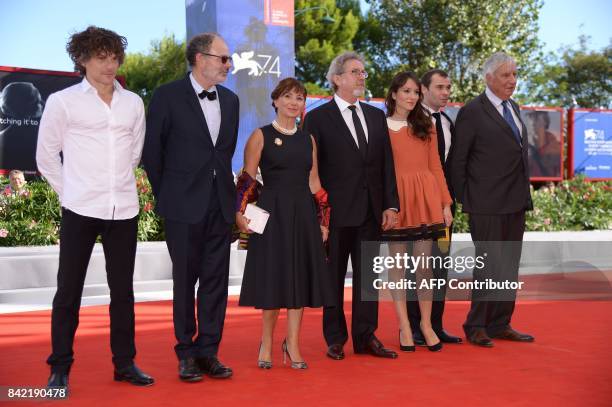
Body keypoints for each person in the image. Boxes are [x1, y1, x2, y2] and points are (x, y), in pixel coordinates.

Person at [36, 26, 153, 389]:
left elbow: (135, 152)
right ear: (82, 59)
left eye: (114, 57)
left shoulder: (133, 102)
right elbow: (46, 157)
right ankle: (60, 368)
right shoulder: (63, 101)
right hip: (80, 209)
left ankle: (124, 364)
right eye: (101, 57)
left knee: (124, 293)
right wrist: (71, 192)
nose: (109, 64)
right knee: (68, 291)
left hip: (123, 209)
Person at [143, 32, 239, 382]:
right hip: (182, 205)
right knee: (185, 281)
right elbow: (153, 153)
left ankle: (208, 352)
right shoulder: (166, 96)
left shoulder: (230, 100)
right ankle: (185, 352)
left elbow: (223, 153)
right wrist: (166, 195)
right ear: (200, 58)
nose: (228, 64)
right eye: (223, 58)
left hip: (220, 205)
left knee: (216, 283)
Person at [303, 51, 400, 360]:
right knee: (332, 279)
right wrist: (319, 215)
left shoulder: (375, 116)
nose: (362, 77)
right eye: (355, 72)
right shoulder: (317, 118)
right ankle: (335, 338)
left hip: (372, 212)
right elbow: (311, 170)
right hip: (334, 215)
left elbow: (386, 166)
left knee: (368, 278)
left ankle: (365, 336)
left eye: (363, 72)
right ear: (337, 79)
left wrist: (391, 205)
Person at [236, 77, 334, 370]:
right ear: (276, 100)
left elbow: (315, 182)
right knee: (273, 280)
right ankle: (266, 341)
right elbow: (247, 180)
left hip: (304, 214)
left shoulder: (309, 139)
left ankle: (292, 344)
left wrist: (324, 219)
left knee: (298, 282)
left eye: (300, 98)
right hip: (272, 214)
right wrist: (240, 214)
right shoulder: (260, 135)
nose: (294, 103)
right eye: (288, 97)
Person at [449, 52, 535, 348]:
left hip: (515, 201)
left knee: (508, 266)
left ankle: (500, 323)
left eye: (514, 74)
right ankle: (476, 325)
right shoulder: (473, 111)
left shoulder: (514, 107)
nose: (512, 80)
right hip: (485, 204)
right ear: (488, 78)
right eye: (505, 75)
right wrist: (466, 199)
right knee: (489, 265)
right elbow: (458, 161)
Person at [382, 71, 453, 353]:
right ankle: (404, 327)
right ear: (394, 94)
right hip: (397, 199)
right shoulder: (381, 125)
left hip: (426, 198)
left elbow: (436, 166)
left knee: (424, 267)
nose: (412, 97)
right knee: (398, 267)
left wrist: (445, 203)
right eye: (406, 91)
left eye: (415, 93)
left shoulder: (427, 126)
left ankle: (426, 324)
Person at [403, 69, 462, 346]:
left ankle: (435, 325)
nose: (445, 92)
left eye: (448, 87)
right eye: (439, 87)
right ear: (423, 90)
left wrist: (447, 203)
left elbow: (444, 167)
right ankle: (415, 326)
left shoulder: (448, 122)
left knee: (439, 265)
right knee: (417, 266)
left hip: (444, 207)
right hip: (417, 206)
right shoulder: (409, 121)